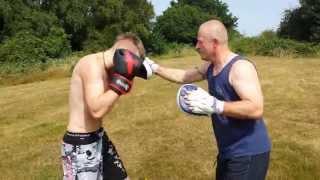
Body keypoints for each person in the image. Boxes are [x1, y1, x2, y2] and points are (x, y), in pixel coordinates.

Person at [145, 19, 271, 180]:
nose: (196, 46)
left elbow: (256, 108)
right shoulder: (210, 67)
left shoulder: (239, 67)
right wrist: (155, 68)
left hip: (248, 152)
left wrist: (216, 105)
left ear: (215, 43)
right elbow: (183, 76)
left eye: (200, 42)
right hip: (227, 151)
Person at [61, 33, 152, 180]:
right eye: (134, 61)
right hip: (79, 145)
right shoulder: (91, 64)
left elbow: (106, 106)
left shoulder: (109, 70)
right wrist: (121, 83)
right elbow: (97, 111)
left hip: (99, 137)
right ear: (126, 52)